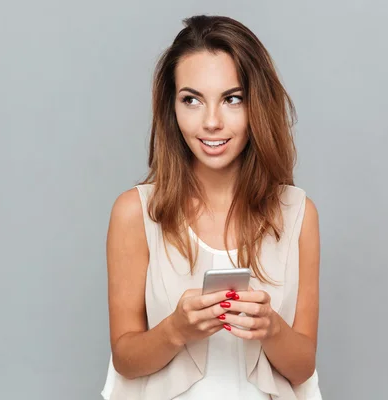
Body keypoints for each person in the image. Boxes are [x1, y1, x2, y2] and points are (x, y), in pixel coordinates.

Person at [102, 15, 322, 400]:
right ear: (172, 108)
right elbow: (125, 358)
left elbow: (303, 367)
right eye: (192, 100)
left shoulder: (298, 214)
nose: (211, 122)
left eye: (232, 99)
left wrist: (270, 327)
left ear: (257, 105)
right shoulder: (135, 212)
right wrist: (176, 330)